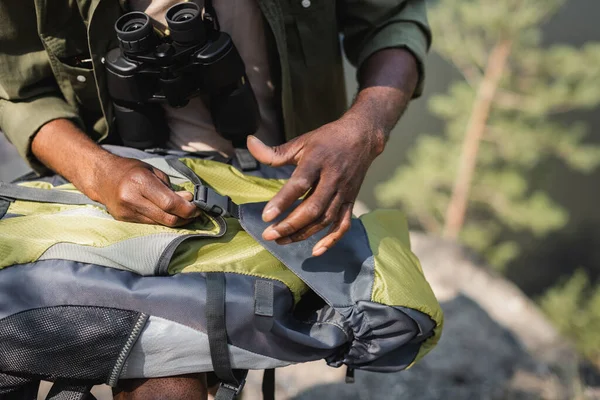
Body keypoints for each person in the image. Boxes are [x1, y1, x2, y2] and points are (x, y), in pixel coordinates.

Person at [0, 0, 430, 398]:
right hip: (118, 164)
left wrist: (364, 129)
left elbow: (393, 19)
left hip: (286, 172)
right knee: (166, 377)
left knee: (214, 334)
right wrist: (95, 170)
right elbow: (18, 88)